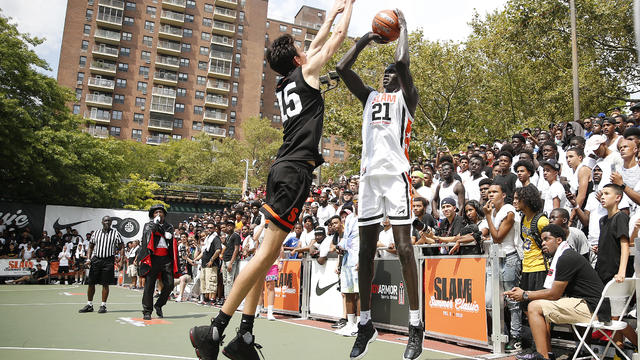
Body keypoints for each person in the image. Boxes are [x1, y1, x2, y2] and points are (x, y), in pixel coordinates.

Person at [189, 3, 356, 357]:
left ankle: (244, 336)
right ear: (297, 58)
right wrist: (351, 6)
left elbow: (321, 37)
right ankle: (216, 330)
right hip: (295, 170)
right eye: (300, 47)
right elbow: (337, 37)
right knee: (265, 253)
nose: (305, 48)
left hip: (280, 167)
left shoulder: (287, 82)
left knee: (270, 252)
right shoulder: (307, 70)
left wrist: (330, 14)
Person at [335, 9, 423, 359]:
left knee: (403, 249)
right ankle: (365, 324)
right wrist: (364, 40)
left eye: (391, 75)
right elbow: (343, 70)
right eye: (383, 74)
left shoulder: (407, 99)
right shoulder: (370, 97)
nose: (387, 77)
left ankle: (416, 325)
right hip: (369, 179)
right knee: (364, 254)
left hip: (396, 177)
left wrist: (402, 29)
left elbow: (402, 62)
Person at [505, 224, 611, 360]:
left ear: (559, 240)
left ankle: (542, 356)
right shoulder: (565, 254)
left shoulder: (565, 258)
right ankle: (548, 353)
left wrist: (525, 294)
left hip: (594, 308)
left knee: (534, 306)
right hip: (592, 306)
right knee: (539, 305)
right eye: (542, 240)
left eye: (546, 239)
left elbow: (554, 294)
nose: (543, 243)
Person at [483, 184, 522, 352]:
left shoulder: (509, 211)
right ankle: (501, 334)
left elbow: (498, 237)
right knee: (490, 301)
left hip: (510, 258)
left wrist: (488, 217)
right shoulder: (492, 212)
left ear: (504, 194)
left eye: (494, 192)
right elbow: (486, 234)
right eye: (489, 192)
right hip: (494, 259)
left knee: (512, 302)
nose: (490, 194)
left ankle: (516, 338)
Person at [136, 204, 178, 320]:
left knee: (169, 284)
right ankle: (147, 311)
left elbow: (169, 237)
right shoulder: (148, 225)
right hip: (153, 258)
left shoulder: (169, 226)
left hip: (166, 259)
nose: (158, 214)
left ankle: (159, 304)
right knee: (149, 285)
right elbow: (150, 233)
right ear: (152, 215)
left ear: (164, 214)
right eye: (156, 212)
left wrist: (162, 231)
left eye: (161, 212)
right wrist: (158, 227)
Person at [78, 216, 124, 314]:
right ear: (102, 222)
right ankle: (89, 305)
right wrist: (88, 259)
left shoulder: (115, 233)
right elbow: (91, 246)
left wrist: (121, 261)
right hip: (96, 259)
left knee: (105, 283)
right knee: (91, 283)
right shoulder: (96, 233)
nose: (107, 222)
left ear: (111, 223)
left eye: (109, 221)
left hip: (108, 260)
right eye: (105, 221)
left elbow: (121, 247)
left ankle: (103, 305)